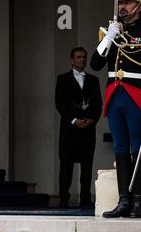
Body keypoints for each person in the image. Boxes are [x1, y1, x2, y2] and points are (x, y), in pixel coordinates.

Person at [90, 0, 141, 219]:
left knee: (137, 147)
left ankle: (138, 200)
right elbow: (95, 64)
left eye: (128, 3)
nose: (122, 7)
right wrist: (109, 38)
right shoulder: (112, 30)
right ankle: (123, 200)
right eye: (120, 3)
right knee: (120, 146)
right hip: (115, 94)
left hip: (136, 93)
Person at [55, 47, 102, 209]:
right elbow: (59, 104)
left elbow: (98, 104)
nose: (82, 59)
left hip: (88, 130)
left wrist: (92, 120)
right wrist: (74, 120)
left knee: (87, 166)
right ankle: (63, 197)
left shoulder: (93, 80)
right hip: (69, 129)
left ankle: (85, 198)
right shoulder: (62, 79)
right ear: (72, 60)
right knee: (66, 165)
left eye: (84, 57)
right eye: (78, 57)